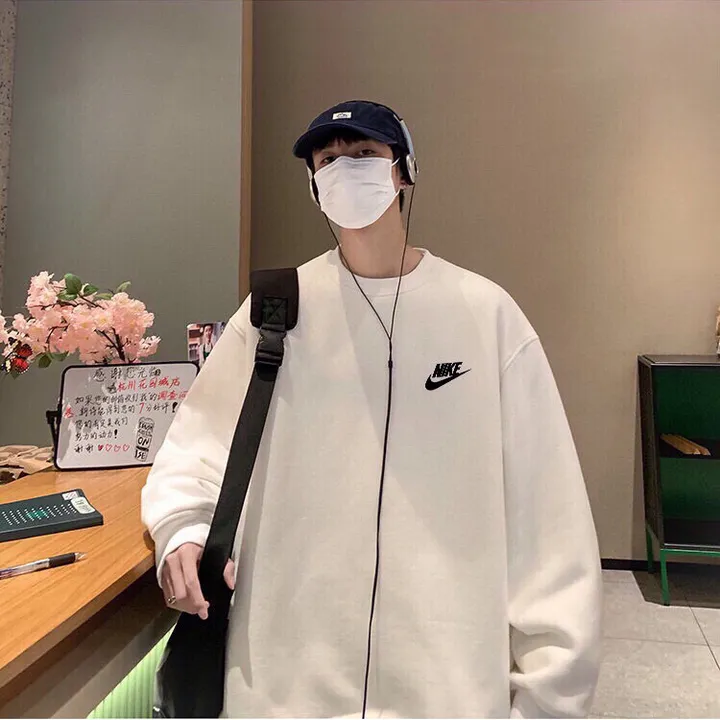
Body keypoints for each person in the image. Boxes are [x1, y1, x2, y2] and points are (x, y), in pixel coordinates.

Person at [141, 100, 603, 718]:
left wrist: (548, 696)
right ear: (314, 186)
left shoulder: (484, 314)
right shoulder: (277, 311)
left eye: (364, 153)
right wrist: (182, 529)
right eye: (328, 160)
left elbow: (547, 516)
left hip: (446, 688)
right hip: (286, 684)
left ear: (404, 170)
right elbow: (197, 446)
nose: (345, 169)